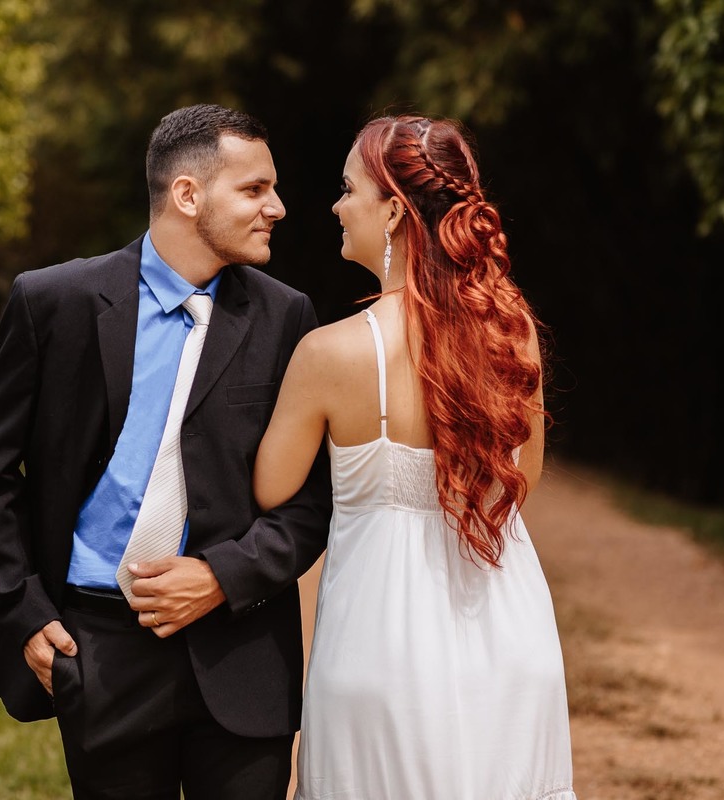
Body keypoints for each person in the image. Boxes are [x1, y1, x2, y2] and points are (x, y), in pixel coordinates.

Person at [0, 104, 332, 800]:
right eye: (254, 189)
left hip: (242, 650)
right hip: (98, 650)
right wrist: (25, 611)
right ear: (187, 195)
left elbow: (313, 500)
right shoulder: (53, 303)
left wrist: (223, 575)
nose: (277, 207)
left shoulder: (288, 318)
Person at [253, 115, 576, 799]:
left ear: (394, 210)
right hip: (510, 636)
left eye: (347, 189)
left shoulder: (331, 353)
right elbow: (527, 480)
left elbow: (272, 487)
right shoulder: (512, 337)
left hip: (382, 649)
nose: (336, 206)